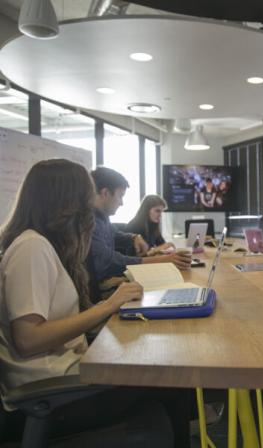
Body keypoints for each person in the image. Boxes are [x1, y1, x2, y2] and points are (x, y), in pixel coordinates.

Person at [0, 159, 191, 446]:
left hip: (67, 375)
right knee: (170, 382)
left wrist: (119, 306)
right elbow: (28, 338)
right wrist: (108, 306)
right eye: (85, 194)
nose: (89, 204)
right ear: (66, 199)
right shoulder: (31, 249)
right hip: (50, 394)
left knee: (165, 376)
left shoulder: (42, 244)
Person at [88, 167, 190, 291]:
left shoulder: (102, 218)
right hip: (99, 291)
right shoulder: (88, 222)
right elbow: (110, 262)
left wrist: (133, 238)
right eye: (120, 196)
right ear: (105, 193)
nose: (122, 203)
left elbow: (114, 234)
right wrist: (162, 260)